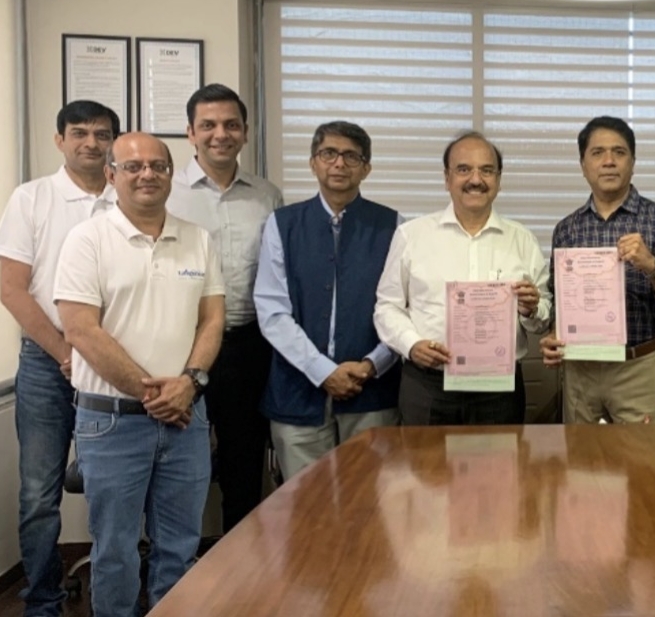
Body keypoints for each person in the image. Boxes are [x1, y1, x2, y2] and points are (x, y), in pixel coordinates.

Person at [55, 133, 224, 617]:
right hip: (112, 423)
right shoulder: (86, 240)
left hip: (186, 419)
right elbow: (81, 330)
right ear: (111, 175)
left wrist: (188, 383)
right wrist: (156, 396)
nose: (147, 174)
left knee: (181, 547)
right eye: (133, 166)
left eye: (158, 166)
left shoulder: (198, 239)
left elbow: (212, 320)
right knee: (115, 552)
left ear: (171, 174)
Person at [0, 100, 119, 617]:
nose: (91, 143)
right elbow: (11, 287)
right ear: (59, 140)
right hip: (47, 364)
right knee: (38, 492)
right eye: (79, 133)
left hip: (114, 363)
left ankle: (115, 595)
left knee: (116, 486)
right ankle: (44, 600)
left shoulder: (128, 194)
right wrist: (66, 352)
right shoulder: (32, 198)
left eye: (101, 134)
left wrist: (95, 355)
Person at [255, 120, 401, 481]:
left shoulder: (393, 225)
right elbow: (273, 311)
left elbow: (402, 309)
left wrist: (371, 365)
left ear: (366, 168)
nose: (339, 163)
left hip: (371, 391)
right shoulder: (283, 224)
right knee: (305, 503)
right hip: (298, 391)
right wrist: (323, 371)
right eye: (329, 153)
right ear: (313, 162)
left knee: (369, 501)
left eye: (351, 156)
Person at [167, 83, 283, 531]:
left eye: (231, 125)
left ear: (246, 132)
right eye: (209, 125)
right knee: (177, 462)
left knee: (244, 460)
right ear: (190, 132)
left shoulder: (266, 195)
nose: (221, 134)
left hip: (247, 346)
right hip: (181, 347)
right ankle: (176, 563)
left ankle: (242, 558)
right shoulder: (166, 192)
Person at [374, 132, 550, 424]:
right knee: (423, 456)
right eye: (464, 169)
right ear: (447, 178)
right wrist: (411, 344)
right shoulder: (411, 236)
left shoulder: (523, 240)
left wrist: (531, 309)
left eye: (487, 170)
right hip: (428, 385)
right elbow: (387, 306)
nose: (476, 179)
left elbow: (542, 318)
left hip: (499, 390)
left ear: (499, 180)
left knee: (502, 456)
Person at [540, 116, 655, 423]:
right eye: (597, 153)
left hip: (640, 367)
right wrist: (553, 334)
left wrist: (652, 266)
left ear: (633, 162)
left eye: (619, 152)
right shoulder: (567, 229)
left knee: (644, 454)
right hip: (581, 368)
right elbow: (560, 300)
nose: (609, 161)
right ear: (583, 165)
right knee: (580, 453)